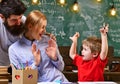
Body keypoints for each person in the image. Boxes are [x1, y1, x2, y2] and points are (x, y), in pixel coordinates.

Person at [8, 10, 68, 82]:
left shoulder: (48, 41)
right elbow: (19, 79)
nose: (44, 31)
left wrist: (55, 58)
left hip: (60, 81)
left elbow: (61, 68)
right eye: (42, 27)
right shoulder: (14, 50)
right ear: (30, 26)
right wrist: (35, 64)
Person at [0, 0, 27, 66]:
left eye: (20, 17)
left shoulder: (24, 21)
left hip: (21, 67)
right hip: (2, 67)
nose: (18, 22)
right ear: (2, 17)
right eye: (14, 20)